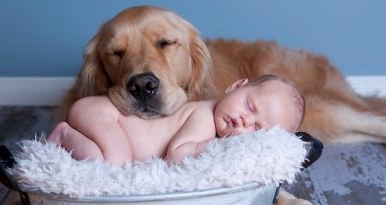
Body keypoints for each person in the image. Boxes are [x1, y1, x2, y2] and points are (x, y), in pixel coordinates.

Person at [47, 75, 305, 166]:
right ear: (236, 86)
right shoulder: (205, 115)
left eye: (256, 128)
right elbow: (177, 155)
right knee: (116, 163)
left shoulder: (217, 124)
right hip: (104, 114)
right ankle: (62, 135)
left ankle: (67, 136)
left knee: (100, 158)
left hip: (102, 119)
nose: (243, 120)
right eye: (249, 105)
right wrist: (224, 145)